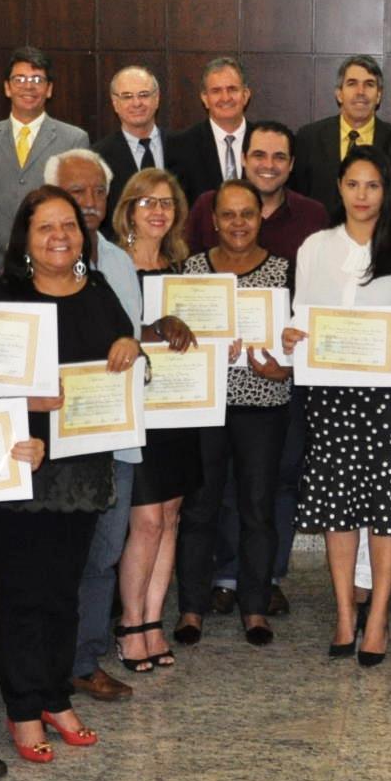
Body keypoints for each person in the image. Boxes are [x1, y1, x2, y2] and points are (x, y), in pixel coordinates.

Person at [0, 187, 145, 760]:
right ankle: (23, 706)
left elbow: (125, 353)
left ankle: (55, 693)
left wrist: (131, 344)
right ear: (25, 239)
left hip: (84, 467)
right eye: (45, 227)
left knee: (65, 591)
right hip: (25, 468)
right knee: (25, 593)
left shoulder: (99, 290)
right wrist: (27, 399)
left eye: (69, 226)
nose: (60, 236)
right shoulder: (5, 298)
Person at [282, 148, 391, 668]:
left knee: (388, 504)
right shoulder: (315, 247)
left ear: (386, 191)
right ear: (340, 186)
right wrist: (291, 334)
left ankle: (376, 618)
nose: (362, 195)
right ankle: (344, 615)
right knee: (337, 502)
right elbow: (301, 316)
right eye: (353, 184)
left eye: (373, 186)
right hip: (331, 392)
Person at [43, 149, 148, 705]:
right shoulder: (25, 268)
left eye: (97, 193)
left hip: (114, 436)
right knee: (58, 559)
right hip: (56, 441)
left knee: (105, 553)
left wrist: (139, 346)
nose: (88, 204)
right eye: (75, 192)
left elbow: (131, 346)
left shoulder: (119, 263)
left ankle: (85, 660)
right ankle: (47, 668)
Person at [175, 180, 294, 646]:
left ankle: (255, 607)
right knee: (200, 509)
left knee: (258, 508)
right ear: (213, 219)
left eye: (247, 213)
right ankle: (191, 608)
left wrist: (282, 370)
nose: (238, 223)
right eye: (229, 215)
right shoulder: (192, 269)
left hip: (263, 405)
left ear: (261, 216)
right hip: (205, 404)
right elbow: (175, 342)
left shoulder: (284, 271)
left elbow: (297, 341)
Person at [114, 168, 203, 663]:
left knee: (170, 516)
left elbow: (198, 334)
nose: (157, 211)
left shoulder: (185, 266)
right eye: (147, 202)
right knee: (145, 520)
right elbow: (111, 334)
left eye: (167, 203)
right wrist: (153, 329)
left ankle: (152, 621)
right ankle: (130, 624)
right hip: (134, 409)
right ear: (128, 209)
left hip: (178, 408)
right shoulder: (109, 263)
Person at [0, 47, 88, 292]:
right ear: (7, 88)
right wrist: (17, 243)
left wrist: (41, 243)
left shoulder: (74, 139)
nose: (28, 86)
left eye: (37, 80)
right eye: (19, 79)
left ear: (49, 89)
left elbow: (77, 206)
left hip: (56, 268)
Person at [187, 118, 326, 259]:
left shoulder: (313, 216)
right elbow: (186, 272)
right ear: (243, 159)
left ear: (291, 164)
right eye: (259, 155)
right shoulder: (207, 206)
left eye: (279, 157)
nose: (269, 165)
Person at [293, 55, 391, 217]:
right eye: (352, 84)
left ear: (378, 95)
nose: (360, 92)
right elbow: (297, 198)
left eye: (369, 84)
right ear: (339, 94)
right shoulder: (309, 138)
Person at [165, 55, 254, 203]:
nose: (225, 98)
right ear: (205, 99)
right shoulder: (181, 146)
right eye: (216, 91)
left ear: (245, 95)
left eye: (232, 89)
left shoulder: (263, 141)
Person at [93, 64, 174, 214]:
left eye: (144, 95)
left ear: (156, 99)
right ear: (115, 104)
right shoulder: (99, 157)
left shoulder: (182, 146)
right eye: (127, 96)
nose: (136, 103)